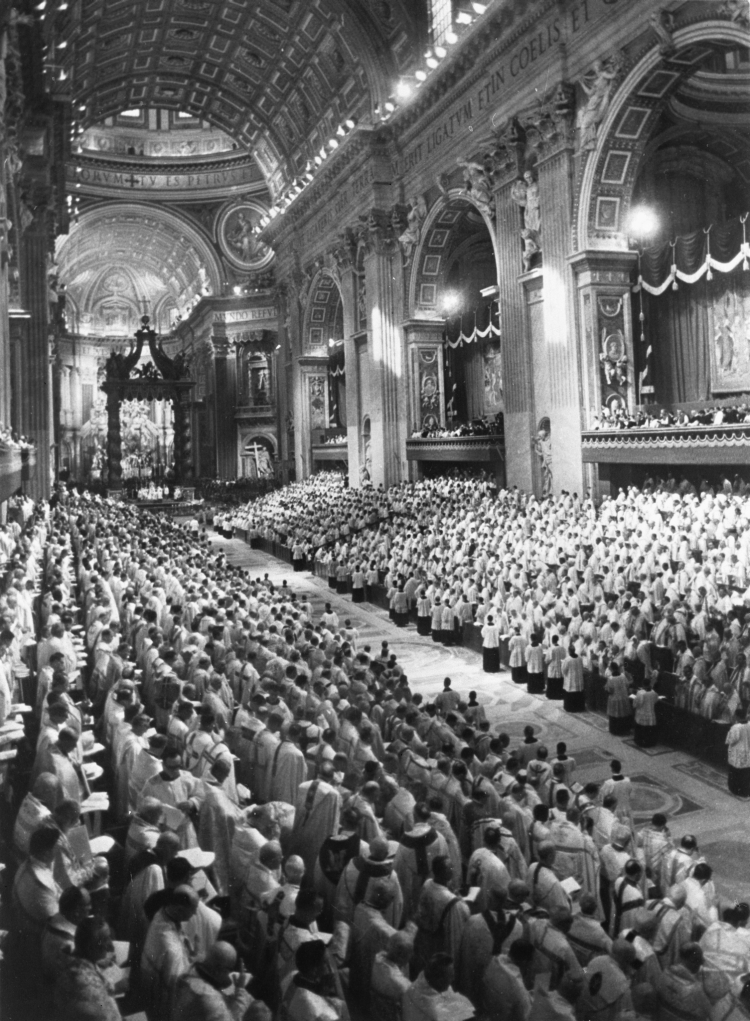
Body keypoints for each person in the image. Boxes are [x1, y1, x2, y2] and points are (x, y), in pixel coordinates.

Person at [53, 916, 122, 1021]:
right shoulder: (87, 985)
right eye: (106, 939)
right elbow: (110, 1017)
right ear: (90, 948)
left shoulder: (72, 961)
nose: (110, 944)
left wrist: (113, 986)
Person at [172, 940, 253, 1021]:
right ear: (218, 970)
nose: (229, 975)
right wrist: (241, 990)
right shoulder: (210, 997)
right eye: (229, 970)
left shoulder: (188, 971)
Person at [726, 706, 750, 798]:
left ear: (736, 716)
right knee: (746, 772)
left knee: (736, 771)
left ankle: (735, 789)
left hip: (737, 752)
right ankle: (745, 791)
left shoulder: (736, 727)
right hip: (748, 752)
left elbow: (731, 740)